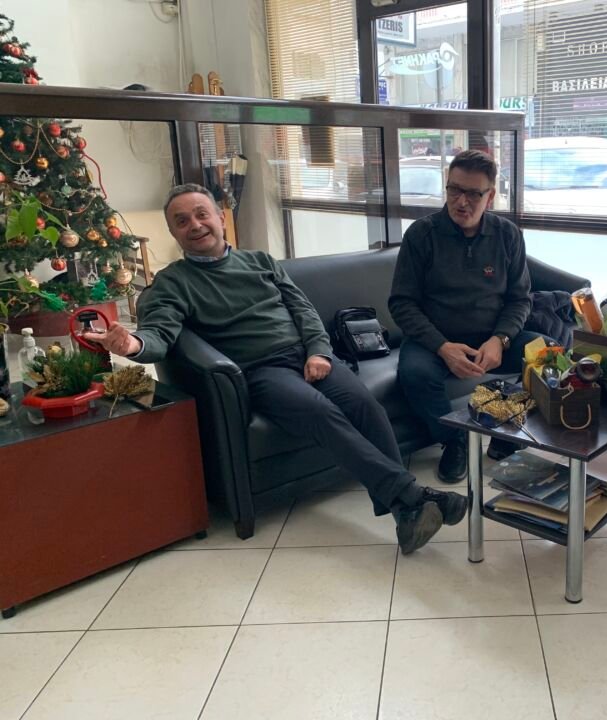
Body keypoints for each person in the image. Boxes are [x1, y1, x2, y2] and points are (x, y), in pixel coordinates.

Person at [84, 183, 466, 555]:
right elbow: (159, 333)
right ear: (173, 232)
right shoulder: (172, 283)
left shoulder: (260, 262)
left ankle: (405, 511)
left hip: (307, 355)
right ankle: (413, 496)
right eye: (182, 221)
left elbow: (304, 310)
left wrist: (319, 351)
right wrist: (132, 345)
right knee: (320, 412)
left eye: (202, 214)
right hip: (261, 371)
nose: (195, 225)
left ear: (220, 217)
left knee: (365, 405)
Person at [389, 149, 543, 482]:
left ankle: (505, 431)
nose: (462, 202)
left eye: (473, 194)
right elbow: (402, 303)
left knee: (545, 356)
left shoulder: (508, 235)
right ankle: (454, 441)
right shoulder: (421, 235)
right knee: (414, 374)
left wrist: (501, 339)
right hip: (434, 340)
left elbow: (520, 299)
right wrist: (442, 347)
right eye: (454, 190)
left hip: (491, 336)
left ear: (490, 196)